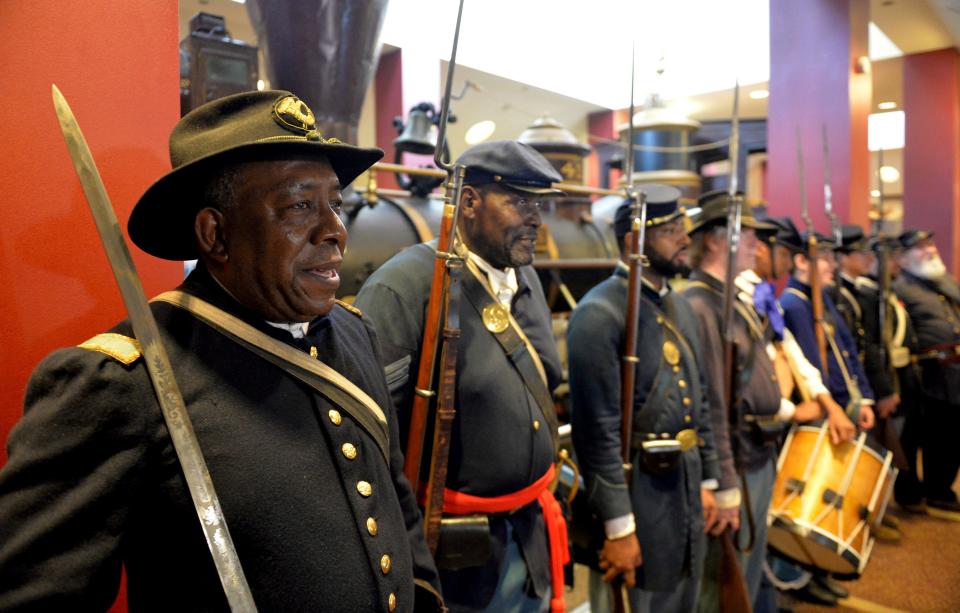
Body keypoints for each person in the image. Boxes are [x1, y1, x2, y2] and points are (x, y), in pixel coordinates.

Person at [0, 90, 443, 612]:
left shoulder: (353, 333)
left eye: (335, 205)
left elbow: (393, 496)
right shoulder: (123, 383)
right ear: (215, 233)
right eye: (301, 206)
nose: (335, 232)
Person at [354, 141, 566, 612]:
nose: (536, 218)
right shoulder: (403, 288)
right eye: (519, 201)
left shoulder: (523, 276)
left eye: (539, 204)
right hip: (456, 560)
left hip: (528, 535)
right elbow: (375, 440)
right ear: (468, 202)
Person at [567, 186, 720, 612]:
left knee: (682, 599)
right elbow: (596, 433)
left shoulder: (680, 306)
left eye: (682, 228)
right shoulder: (599, 313)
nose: (685, 238)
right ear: (636, 242)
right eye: (670, 230)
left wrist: (707, 480)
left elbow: (700, 399)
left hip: (685, 484)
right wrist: (619, 526)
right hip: (639, 493)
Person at [749, 218, 859, 608]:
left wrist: (827, 402)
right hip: (761, 424)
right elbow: (752, 371)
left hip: (785, 414)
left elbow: (791, 351)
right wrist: (792, 410)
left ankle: (795, 580)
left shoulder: (764, 294)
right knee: (765, 523)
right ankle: (781, 585)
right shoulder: (758, 296)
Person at [680, 192, 782, 610]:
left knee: (748, 570)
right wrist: (722, 481)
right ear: (718, 239)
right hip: (735, 462)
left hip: (755, 454)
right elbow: (713, 404)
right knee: (723, 584)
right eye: (750, 234)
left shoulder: (727, 299)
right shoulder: (700, 306)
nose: (759, 245)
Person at [779, 230, 876, 433]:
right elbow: (813, 362)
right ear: (802, 262)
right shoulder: (793, 304)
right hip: (827, 412)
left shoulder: (821, 297)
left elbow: (846, 346)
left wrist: (862, 398)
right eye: (826, 259)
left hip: (846, 403)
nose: (833, 265)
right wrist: (834, 409)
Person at [893, 229, 960, 520]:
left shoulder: (946, 282)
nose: (929, 250)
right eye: (920, 248)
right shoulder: (901, 288)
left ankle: (940, 491)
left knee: (951, 437)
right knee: (918, 437)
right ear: (904, 258)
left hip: (954, 372)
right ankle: (914, 493)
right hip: (924, 374)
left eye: (930, 244)